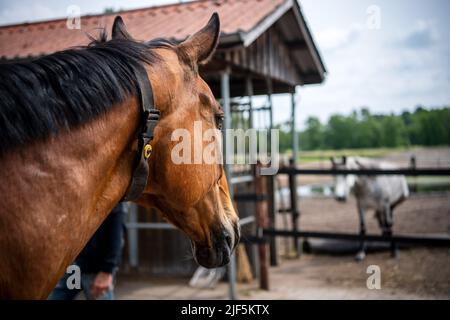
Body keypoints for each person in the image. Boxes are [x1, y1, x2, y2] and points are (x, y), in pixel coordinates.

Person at [48, 203, 127, 300]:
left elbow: (116, 236)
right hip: (75, 268)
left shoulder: (113, 201)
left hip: (96, 271)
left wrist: (107, 271)